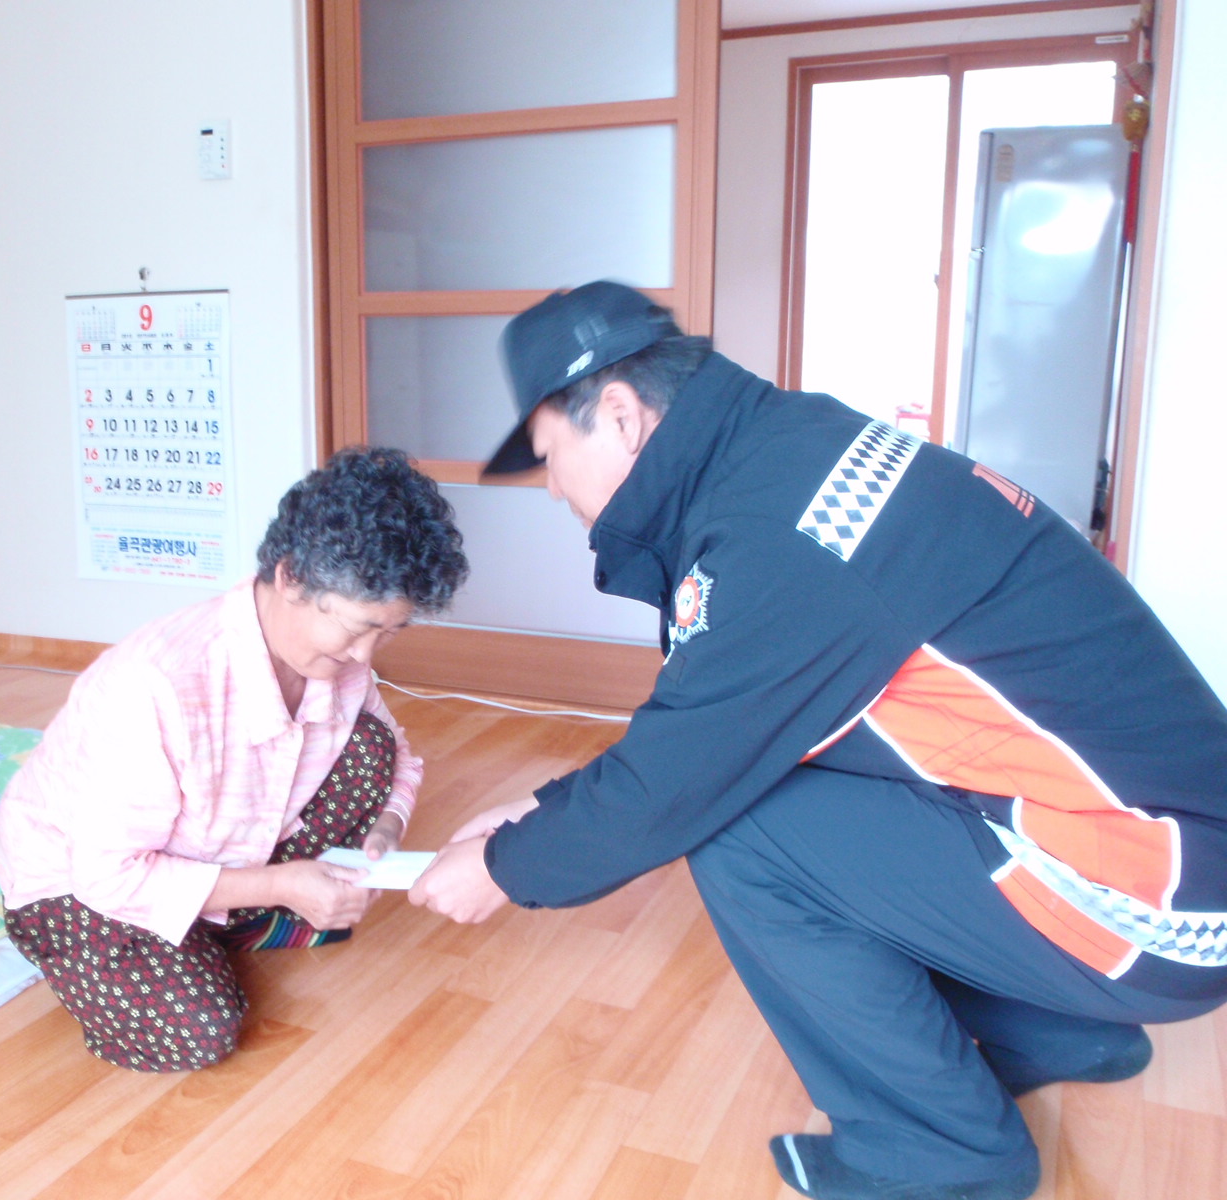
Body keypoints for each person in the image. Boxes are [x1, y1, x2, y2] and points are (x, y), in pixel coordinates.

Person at [407, 281, 1227, 1200]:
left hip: (1166, 908)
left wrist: (505, 866)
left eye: (551, 454)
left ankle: (944, 1156)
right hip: (1171, 854)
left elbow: (677, 783)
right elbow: (715, 724)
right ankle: (1054, 1031)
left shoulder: (788, 539)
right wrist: (532, 809)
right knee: (768, 782)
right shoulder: (792, 454)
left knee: (738, 825)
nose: (554, 486)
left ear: (624, 417)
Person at [0, 446, 468, 1072]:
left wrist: (387, 829)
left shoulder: (335, 665)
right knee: (198, 1031)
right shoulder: (158, 682)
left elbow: (398, 760)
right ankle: (217, 924)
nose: (366, 655)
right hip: (80, 885)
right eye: (357, 628)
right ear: (291, 577)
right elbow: (105, 875)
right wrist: (280, 885)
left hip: (204, 849)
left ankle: (221, 921)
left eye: (388, 632)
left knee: (369, 748)